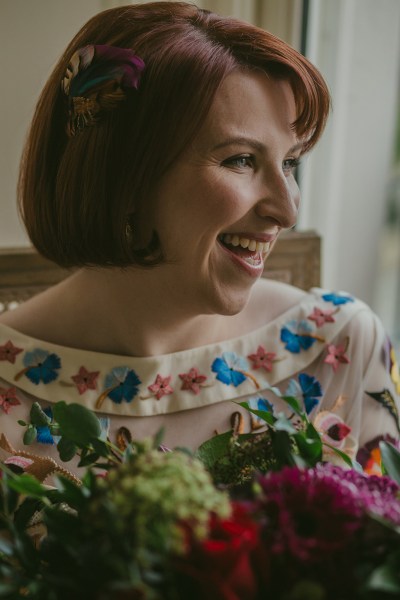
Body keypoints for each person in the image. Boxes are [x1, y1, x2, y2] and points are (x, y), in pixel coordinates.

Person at [0, 1, 398, 481]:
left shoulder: (341, 349)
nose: (288, 209)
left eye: (290, 162)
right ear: (123, 178)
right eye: (241, 160)